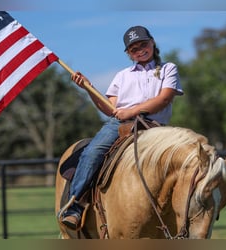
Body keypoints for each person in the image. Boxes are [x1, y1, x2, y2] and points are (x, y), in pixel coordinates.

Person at [61, 25, 184, 230]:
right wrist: (88, 88)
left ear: (152, 42)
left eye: (143, 44)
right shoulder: (122, 75)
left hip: (155, 126)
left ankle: (186, 207)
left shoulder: (167, 68)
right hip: (120, 124)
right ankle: (75, 206)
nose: (140, 50)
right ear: (128, 53)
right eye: (134, 49)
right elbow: (110, 109)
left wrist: (132, 111)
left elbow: (164, 99)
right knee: (92, 153)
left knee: (183, 156)